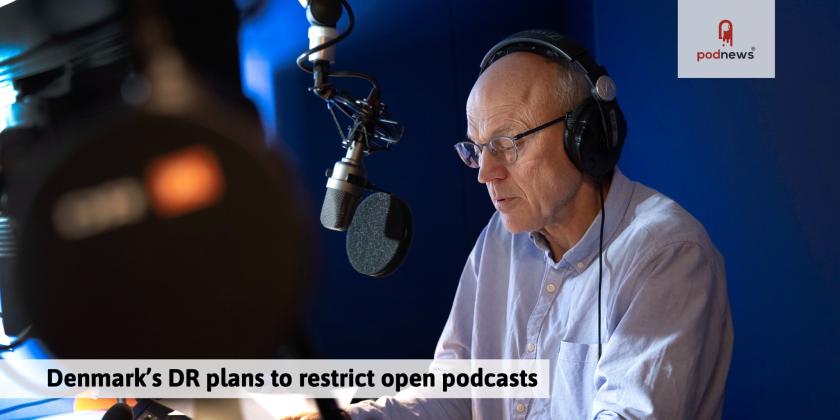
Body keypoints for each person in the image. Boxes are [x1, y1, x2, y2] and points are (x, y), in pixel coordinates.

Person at [306, 30, 734, 420]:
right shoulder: (500, 239)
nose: (484, 173)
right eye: (476, 150)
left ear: (582, 136)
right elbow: (452, 395)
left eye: (506, 144)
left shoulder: (668, 253)